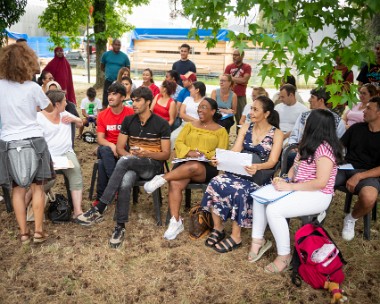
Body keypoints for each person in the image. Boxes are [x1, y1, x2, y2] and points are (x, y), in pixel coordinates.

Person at [76, 87, 171, 249]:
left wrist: (146, 153)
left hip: (152, 166)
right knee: (126, 179)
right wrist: (131, 157)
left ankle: (101, 206)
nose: (134, 104)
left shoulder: (161, 123)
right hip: (132, 162)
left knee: (125, 162)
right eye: (133, 100)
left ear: (148, 102)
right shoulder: (129, 121)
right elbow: (120, 148)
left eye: (138, 100)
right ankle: (120, 227)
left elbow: (166, 154)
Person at [250, 109, 343, 273]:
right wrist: (285, 179)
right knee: (259, 197)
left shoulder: (325, 151)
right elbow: (296, 167)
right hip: (299, 189)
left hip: (318, 195)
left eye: (307, 122)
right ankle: (258, 241)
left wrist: (290, 187)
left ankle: (284, 257)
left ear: (314, 126)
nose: (304, 124)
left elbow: (321, 183)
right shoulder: (307, 144)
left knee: (274, 210)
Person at [201, 96, 283, 253]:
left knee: (240, 191)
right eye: (251, 108)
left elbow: (273, 161)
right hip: (240, 172)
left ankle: (236, 236)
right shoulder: (246, 127)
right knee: (216, 182)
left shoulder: (276, 133)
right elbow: (235, 150)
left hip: (260, 175)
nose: (250, 112)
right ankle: (218, 229)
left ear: (266, 114)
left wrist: (257, 167)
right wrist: (221, 159)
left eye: (255, 109)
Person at [144, 98, 229, 240]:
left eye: (204, 107)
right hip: (185, 162)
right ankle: (175, 221)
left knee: (194, 166)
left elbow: (221, 152)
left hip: (205, 167)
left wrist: (203, 154)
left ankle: (162, 178)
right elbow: (179, 142)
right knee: (176, 183)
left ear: (213, 111)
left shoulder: (221, 131)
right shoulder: (190, 126)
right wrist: (189, 152)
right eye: (199, 107)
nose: (199, 110)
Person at [0, 43, 54, 244]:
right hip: (34, 140)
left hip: (8, 143)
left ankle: (23, 233)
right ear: (28, 62)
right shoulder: (32, 88)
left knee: (17, 190)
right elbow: (48, 108)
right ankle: (39, 231)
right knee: (38, 187)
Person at [335, 96, 380, 241]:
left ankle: (351, 218)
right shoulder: (356, 128)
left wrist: (359, 176)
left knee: (369, 197)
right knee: (323, 180)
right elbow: (338, 148)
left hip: (369, 174)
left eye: (369, 108)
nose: (364, 111)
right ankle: (317, 213)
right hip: (345, 167)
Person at [37, 90, 84, 219]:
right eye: (64, 101)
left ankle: (78, 211)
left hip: (66, 152)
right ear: (57, 104)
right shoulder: (39, 118)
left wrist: (74, 119)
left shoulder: (65, 114)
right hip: (48, 155)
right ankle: (30, 202)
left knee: (76, 171)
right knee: (47, 180)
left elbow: (80, 123)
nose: (66, 102)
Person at [91, 83, 134, 207]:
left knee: (101, 163)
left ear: (122, 97)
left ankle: (101, 197)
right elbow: (100, 139)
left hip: (124, 148)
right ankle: (116, 186)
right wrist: (112, 145)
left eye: (114, 94)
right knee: (105, 150)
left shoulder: (130, 113)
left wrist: (119, 147)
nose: (110, 97)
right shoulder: (102, 115)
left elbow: (132, 137)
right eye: (109, 94)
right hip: (107, 148)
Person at [170, 81, 206, 148]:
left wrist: (196, 122)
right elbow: (181, 114)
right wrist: (196, 120)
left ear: (197, 90)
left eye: (192, 88)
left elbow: (204, 117)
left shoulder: (205, 101)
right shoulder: (188, 99)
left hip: (198, 127)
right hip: (185, 125)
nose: (190, 90)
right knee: (172, 138)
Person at [224, 49, 252, 129]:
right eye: (233, 55)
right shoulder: (229, 67)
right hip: (228, 96)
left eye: (236, 55)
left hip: (240, 96)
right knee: (226, 119)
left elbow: (244, 80)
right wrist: (239, 80)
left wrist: (230, 78)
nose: (234, 57)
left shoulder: (247, 67)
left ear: (242, 56)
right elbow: (225, 79)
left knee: (240, 119)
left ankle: (240, 137)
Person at [101, 39, 130, 108]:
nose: (117, 46)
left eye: (119, 45)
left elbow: (128, 69)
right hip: (109, 81)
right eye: (116, 44)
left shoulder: (124, 56)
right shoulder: (106, 55)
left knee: (118, 98)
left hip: (120, 82)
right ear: (112, 45)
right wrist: (109, 73)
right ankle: (106, 113)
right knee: (106, 99)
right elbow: (102, 67)